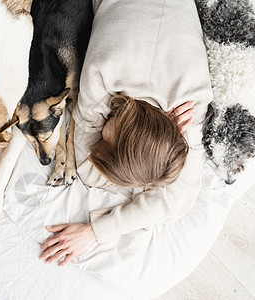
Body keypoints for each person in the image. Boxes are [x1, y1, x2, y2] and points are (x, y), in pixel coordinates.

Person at [39, 0, 213, 266]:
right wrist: (98, 231)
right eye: (107, 139)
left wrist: (95, 232)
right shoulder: (103, 74)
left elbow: (176, 201)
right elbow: (88, 170)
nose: (101, 136)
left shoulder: (189, 106)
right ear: (128, 125)